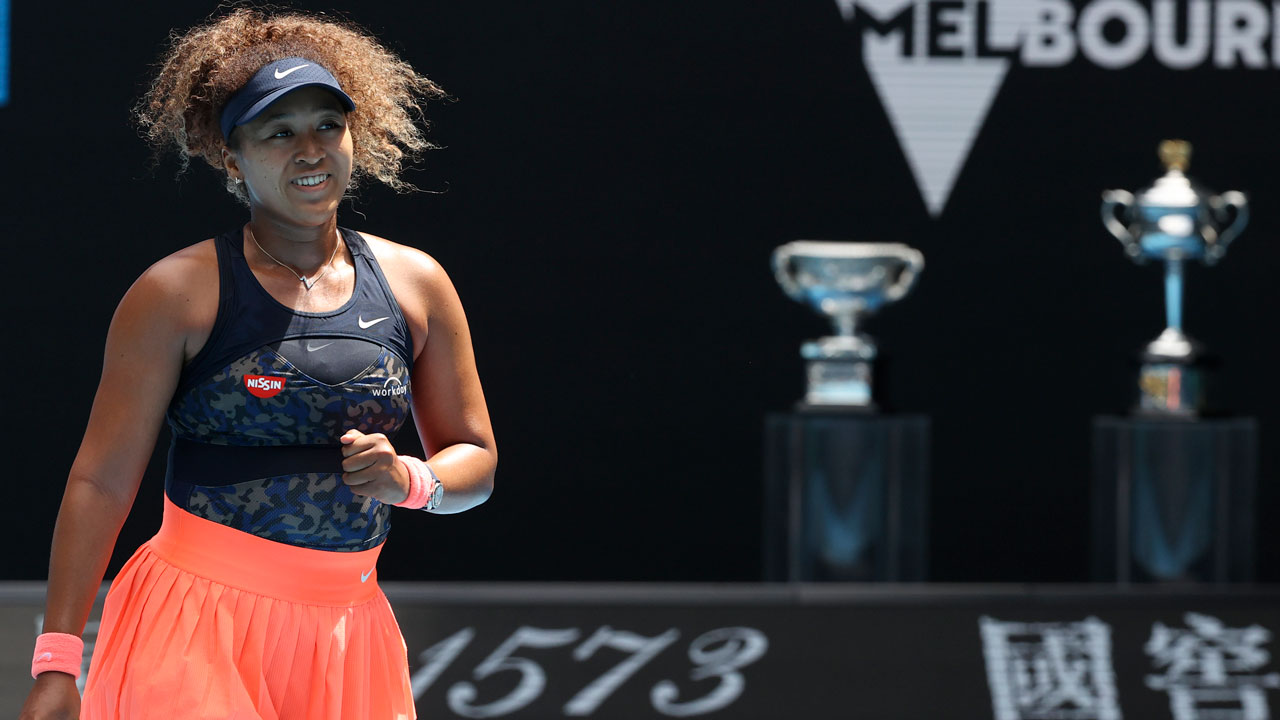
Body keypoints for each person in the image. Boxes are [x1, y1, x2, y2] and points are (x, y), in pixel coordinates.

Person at [20, 8, 496, 720]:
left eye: (327, 126)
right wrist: (57, 661)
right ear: (231, 155)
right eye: (279, 133)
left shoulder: (417, 282)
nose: (311, 150)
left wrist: (411, 478)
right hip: (189, 626)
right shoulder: (173, 294)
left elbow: (477, 463)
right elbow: (100, 481)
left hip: (349, 634)